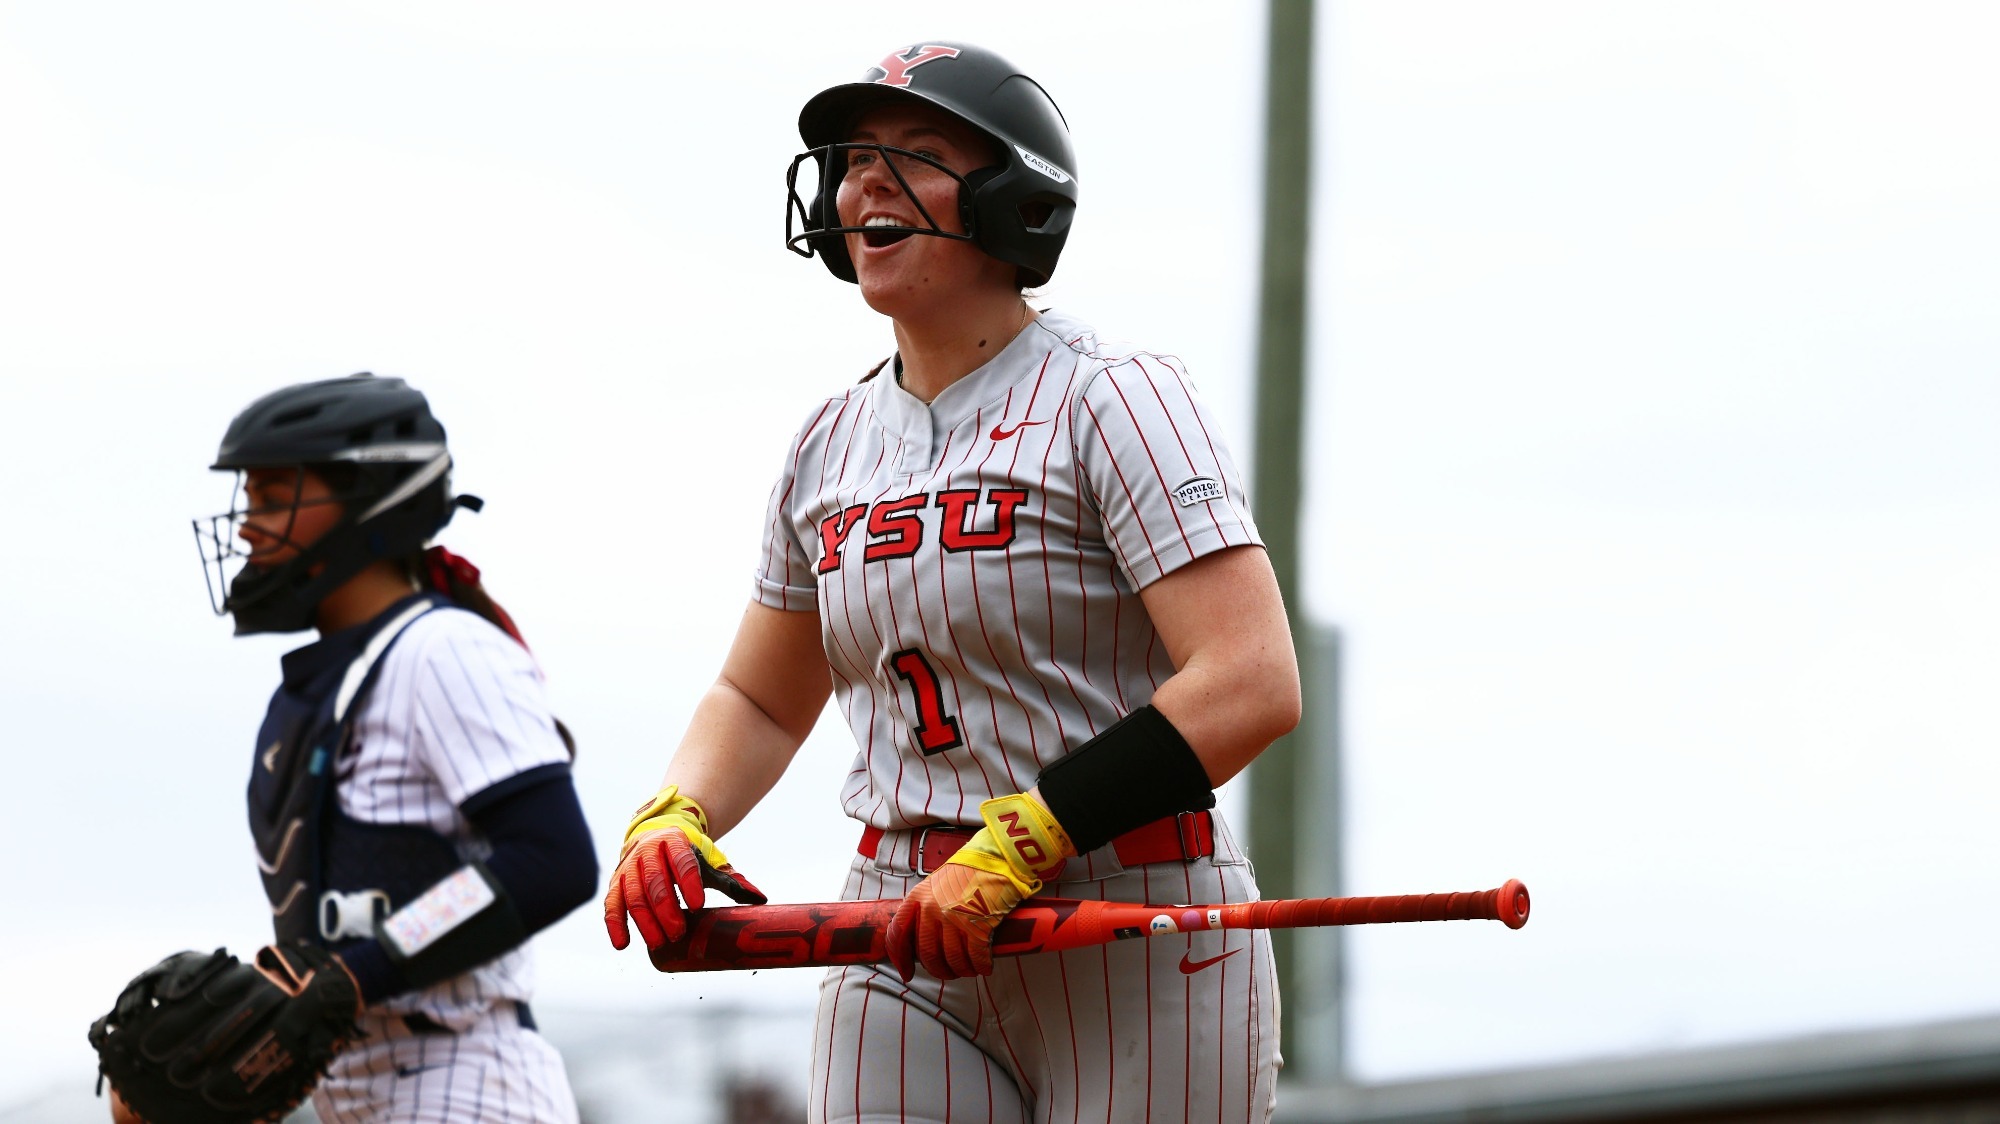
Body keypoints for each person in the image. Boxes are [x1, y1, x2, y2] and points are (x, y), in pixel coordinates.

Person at [603, 42, 1300, 1122]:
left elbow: (1250, 679)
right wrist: (676, 812)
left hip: (1124, 911)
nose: (862, 183)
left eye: (912, 154)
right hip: (899, 917)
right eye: (851, 160)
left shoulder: (1115, 397)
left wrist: (1029, 833)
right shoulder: (826, 441)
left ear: (1011, 198)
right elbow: (756, 698)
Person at [191, 373, 596, 1123]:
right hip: (358, 1086)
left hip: (461, 1075)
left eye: (275, 499)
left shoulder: (442, 649)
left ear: (368, 500)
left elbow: (552, 859)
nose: (248, 526)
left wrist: (356, 975)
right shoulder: (315, 688)